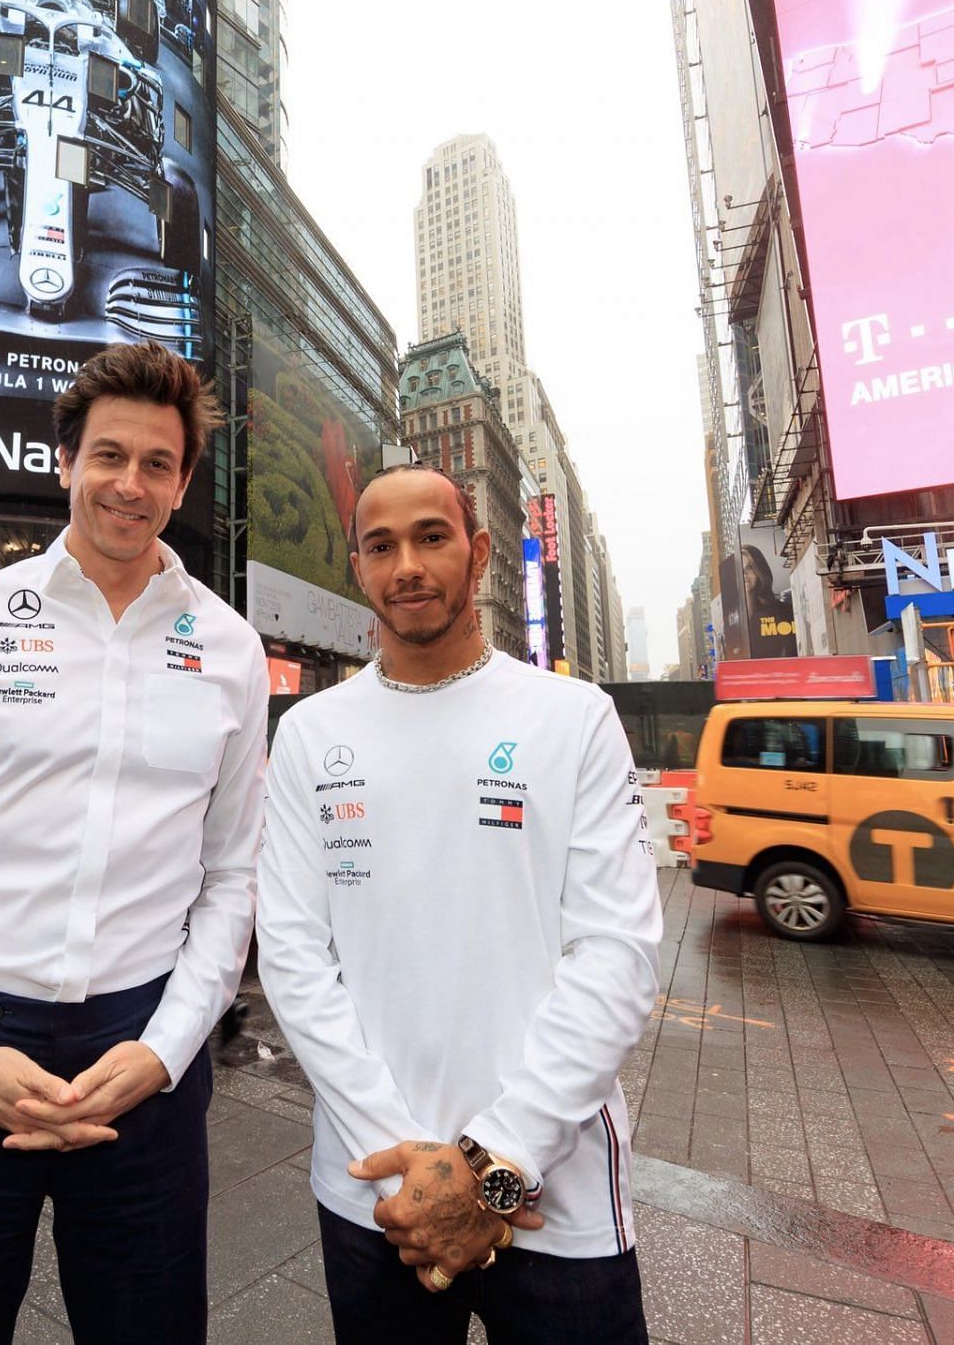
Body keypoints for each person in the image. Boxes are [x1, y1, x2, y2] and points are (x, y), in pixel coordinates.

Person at [0, 341, 268, 1344]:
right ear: (64, 461)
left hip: (143, 1062)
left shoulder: (231, 650)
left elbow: (234, 873)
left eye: (157, 463)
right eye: (108, 455)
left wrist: (165, 1049)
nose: (130, 484)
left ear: (184, 482)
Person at [257, 464, 663, 1345]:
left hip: (553, 1199)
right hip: (375, 1197)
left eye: (431, 538)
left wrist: (489, 1166)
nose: (407, 564)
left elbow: (617, 959)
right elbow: (292, 956)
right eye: (380, 545)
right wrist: (414, 1175)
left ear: (477, 553)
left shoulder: (575, 719)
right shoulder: (309, 736)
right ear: (359, 568)